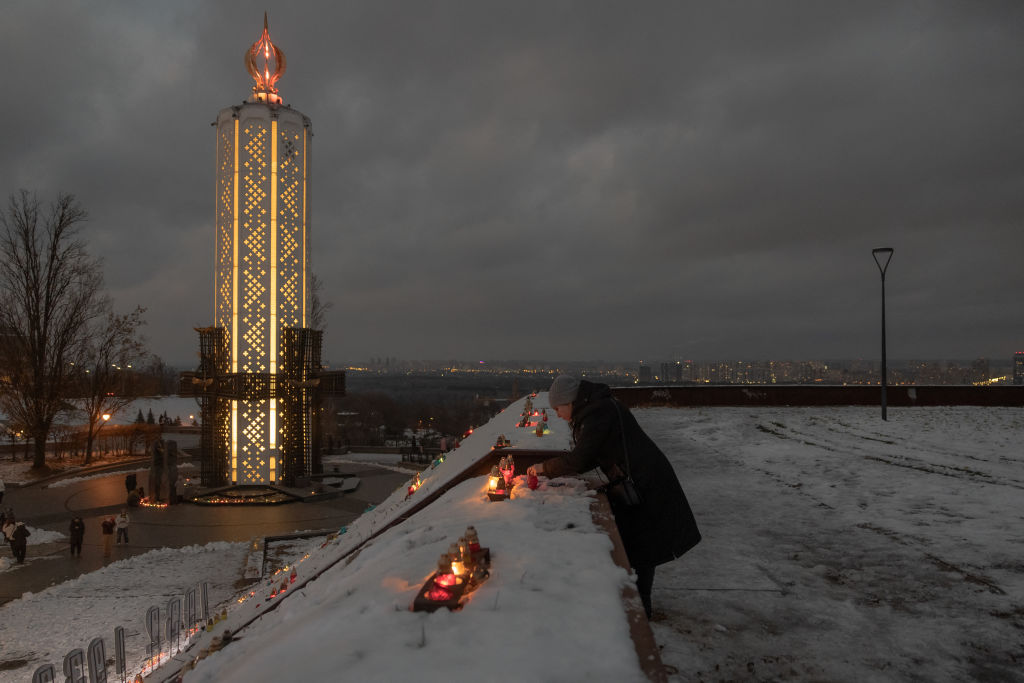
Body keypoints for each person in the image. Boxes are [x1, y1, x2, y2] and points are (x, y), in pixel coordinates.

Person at [527, 375, 701, 619]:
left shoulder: (598, 413)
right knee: (641, 545)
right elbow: (589, 455)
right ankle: (641, 606)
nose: (557, 414)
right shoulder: (597, 409)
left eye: (558, 408)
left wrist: (543, 469)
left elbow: (580, 459)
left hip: (645, 482)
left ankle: (641, 612)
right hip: (639, 479)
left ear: (571, 402)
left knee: (643, 547)